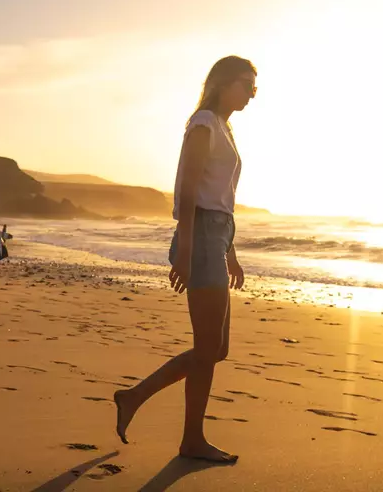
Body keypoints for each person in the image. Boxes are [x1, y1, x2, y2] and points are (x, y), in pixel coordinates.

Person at [113, 55, 256, 462]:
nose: (251, 95)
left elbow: (221, 200)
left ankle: (136, 397)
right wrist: (189, 252)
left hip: (218, 236)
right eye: (247, 85)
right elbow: (191, 192)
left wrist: (232, 253)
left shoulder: (225, 128)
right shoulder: (204, 124)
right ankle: (188, 436)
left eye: (254, 88)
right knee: (208, 347)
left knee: (217, 348)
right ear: (225, 82)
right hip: (202, 238)